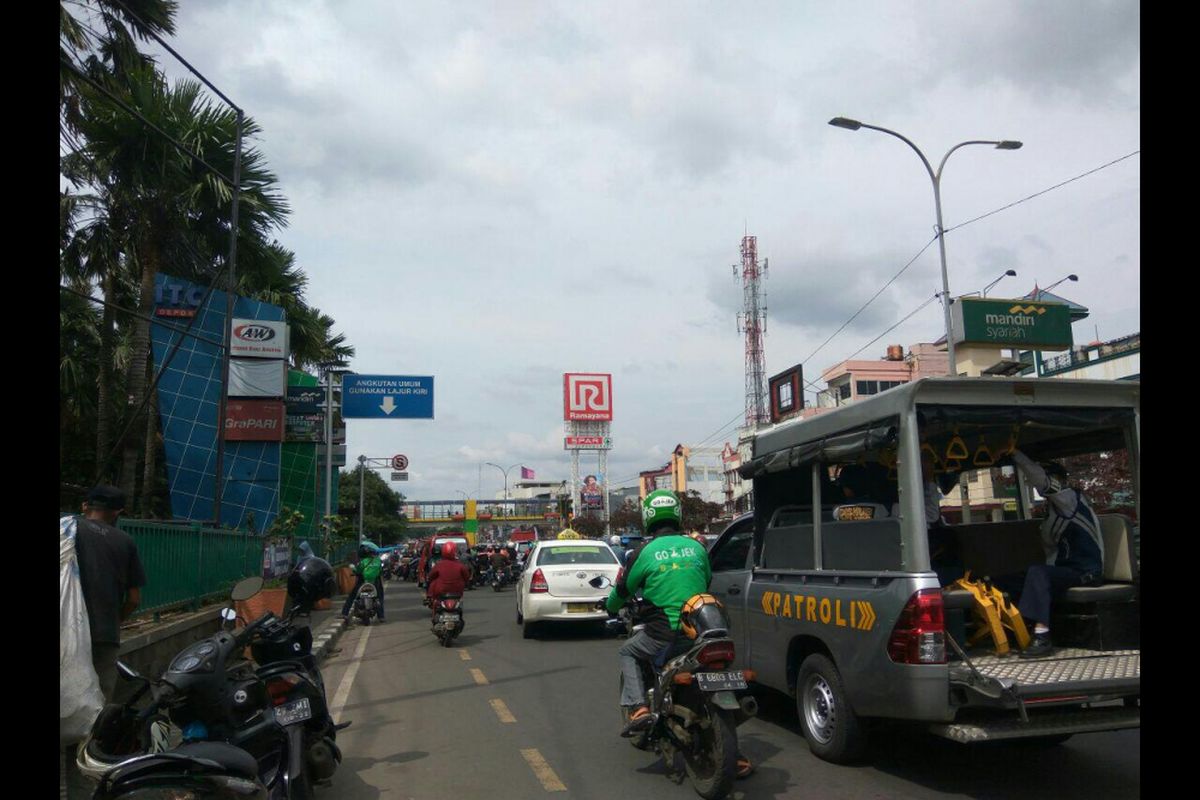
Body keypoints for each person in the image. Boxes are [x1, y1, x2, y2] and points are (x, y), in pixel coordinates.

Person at [604, 489, 753, 778]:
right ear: (677, 515)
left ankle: (638, 708)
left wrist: (611, 607)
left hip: (665, 633)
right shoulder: (697, 548)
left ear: (648, 518)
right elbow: (705, 579)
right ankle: (733, 753)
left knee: (628, 651)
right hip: (704, 630)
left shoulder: (643, 553)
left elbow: (622, 591)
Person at [64, 485, 147, 800]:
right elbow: (134, 598)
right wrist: (115, 621)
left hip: (65, 636)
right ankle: (80, 791)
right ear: (118, 512)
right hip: (103, 640)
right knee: (91, 723)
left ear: (86, 506)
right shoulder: (125, 541)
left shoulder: (68, 528)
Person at [995, 450, 1104, 658]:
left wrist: (1016, 455)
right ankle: (1017, 627)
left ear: (1059, 480)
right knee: (1008, 579)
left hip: (1086, 571)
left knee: (1038, 573)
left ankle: (1042, 635)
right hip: (1066, 570)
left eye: (1050, 478)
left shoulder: (1071, 499)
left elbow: (1041, 480)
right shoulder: (1053, 512)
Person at [426, 542, 472, 623]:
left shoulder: (439, 565)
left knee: (435, 596)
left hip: (441, 591)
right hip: (457, 591)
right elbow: (467, 577)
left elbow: (431, 577)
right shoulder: (460, 565)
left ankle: (434, 616)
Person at [341, 541, 385, 622]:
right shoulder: (378, 561)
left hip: (362, 580)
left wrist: (354, 571)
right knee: (380, 596)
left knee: (352, 595)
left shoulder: (363, 561)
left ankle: (345, 613)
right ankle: (381, 616)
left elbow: (358, 570)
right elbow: (380, 571)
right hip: (375, 581)